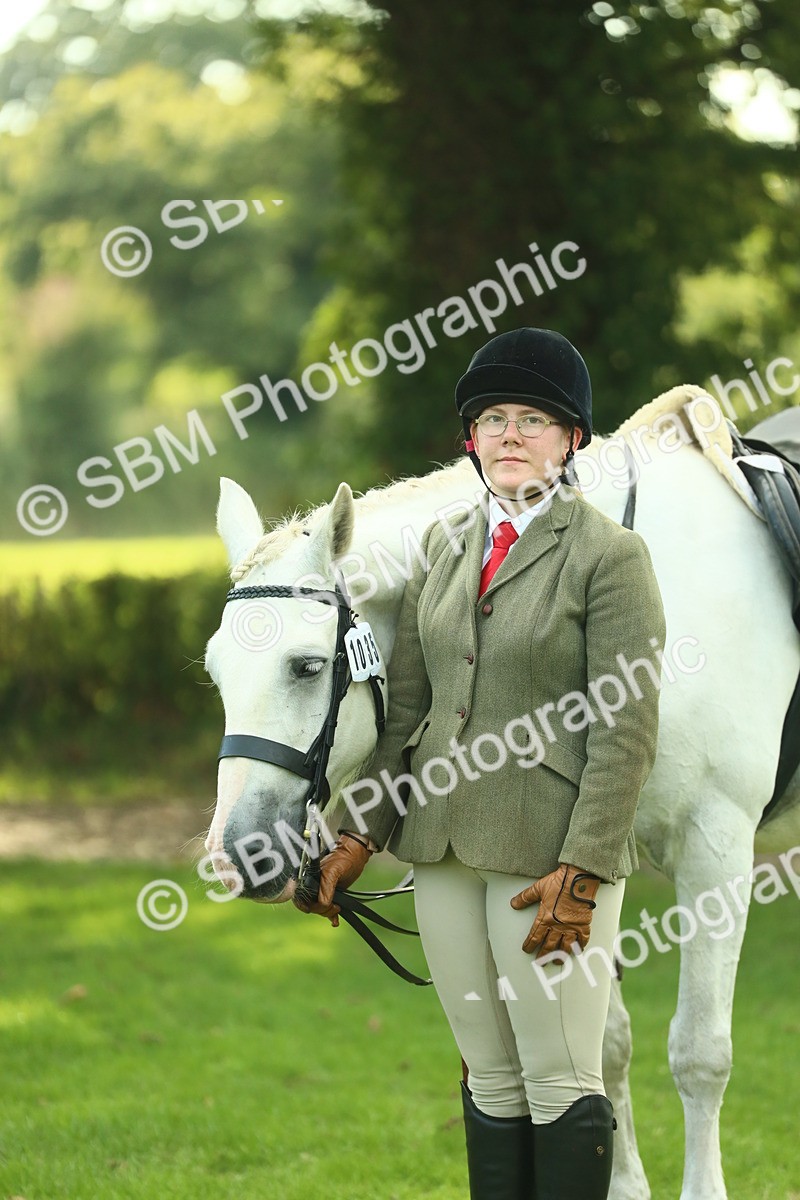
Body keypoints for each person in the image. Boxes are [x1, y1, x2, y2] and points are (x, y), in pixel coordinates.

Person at [295, 327, 666, 1200]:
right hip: (441, 853)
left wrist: (586, 866)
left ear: (573, 438)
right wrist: (360, 832)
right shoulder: (443, 546)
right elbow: (411, 719)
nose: (509, 434)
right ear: (470, 439)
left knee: (560, 1082)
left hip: (548, 861)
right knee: (490, 1080)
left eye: (531, 420)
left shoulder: (610, 558)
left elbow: (626, 729)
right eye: (492, 419)